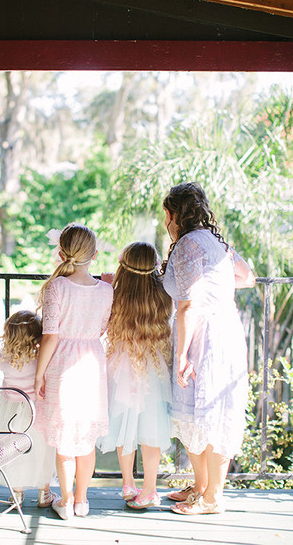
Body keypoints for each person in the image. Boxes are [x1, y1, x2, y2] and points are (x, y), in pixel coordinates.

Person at [161, 182, 255, 515]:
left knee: (210, 413)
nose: (166, 221)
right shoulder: (215, 242)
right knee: (198, 413)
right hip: (223, 328)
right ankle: (201, 488)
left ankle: (213, 497)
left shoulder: (188, 244)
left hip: (205, 336)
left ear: (174, 214)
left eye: (167, 214)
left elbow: (188, 305)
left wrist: (182, 355)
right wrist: (219, 291)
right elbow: (248, 277)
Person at [34, 223, 113, 519]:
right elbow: (102, 328)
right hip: (91, 363)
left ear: (61, 254)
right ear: (94, 254)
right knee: (86, 438)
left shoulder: (56, 287)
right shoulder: (106, 290)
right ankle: (82, 501)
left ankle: (65, 501)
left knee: (65, 437)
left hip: (63, 365)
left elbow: (50, 335)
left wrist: (39, 374)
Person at [97, 242, 173, 509]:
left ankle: (128, 483)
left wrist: (106, 286)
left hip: (121, 369)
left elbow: (103, 326)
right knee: (151, 429)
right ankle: (149, 487)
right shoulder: (163, 295)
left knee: (122, 424)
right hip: (152, 367)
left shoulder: (115, 295)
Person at [0, 310, 57, 508]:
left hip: (11, 412)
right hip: (36, 411)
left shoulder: (5, 357)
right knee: (44, 452)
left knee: (14, 452)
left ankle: (17, 495)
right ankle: (44, 493)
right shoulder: (40, 359)